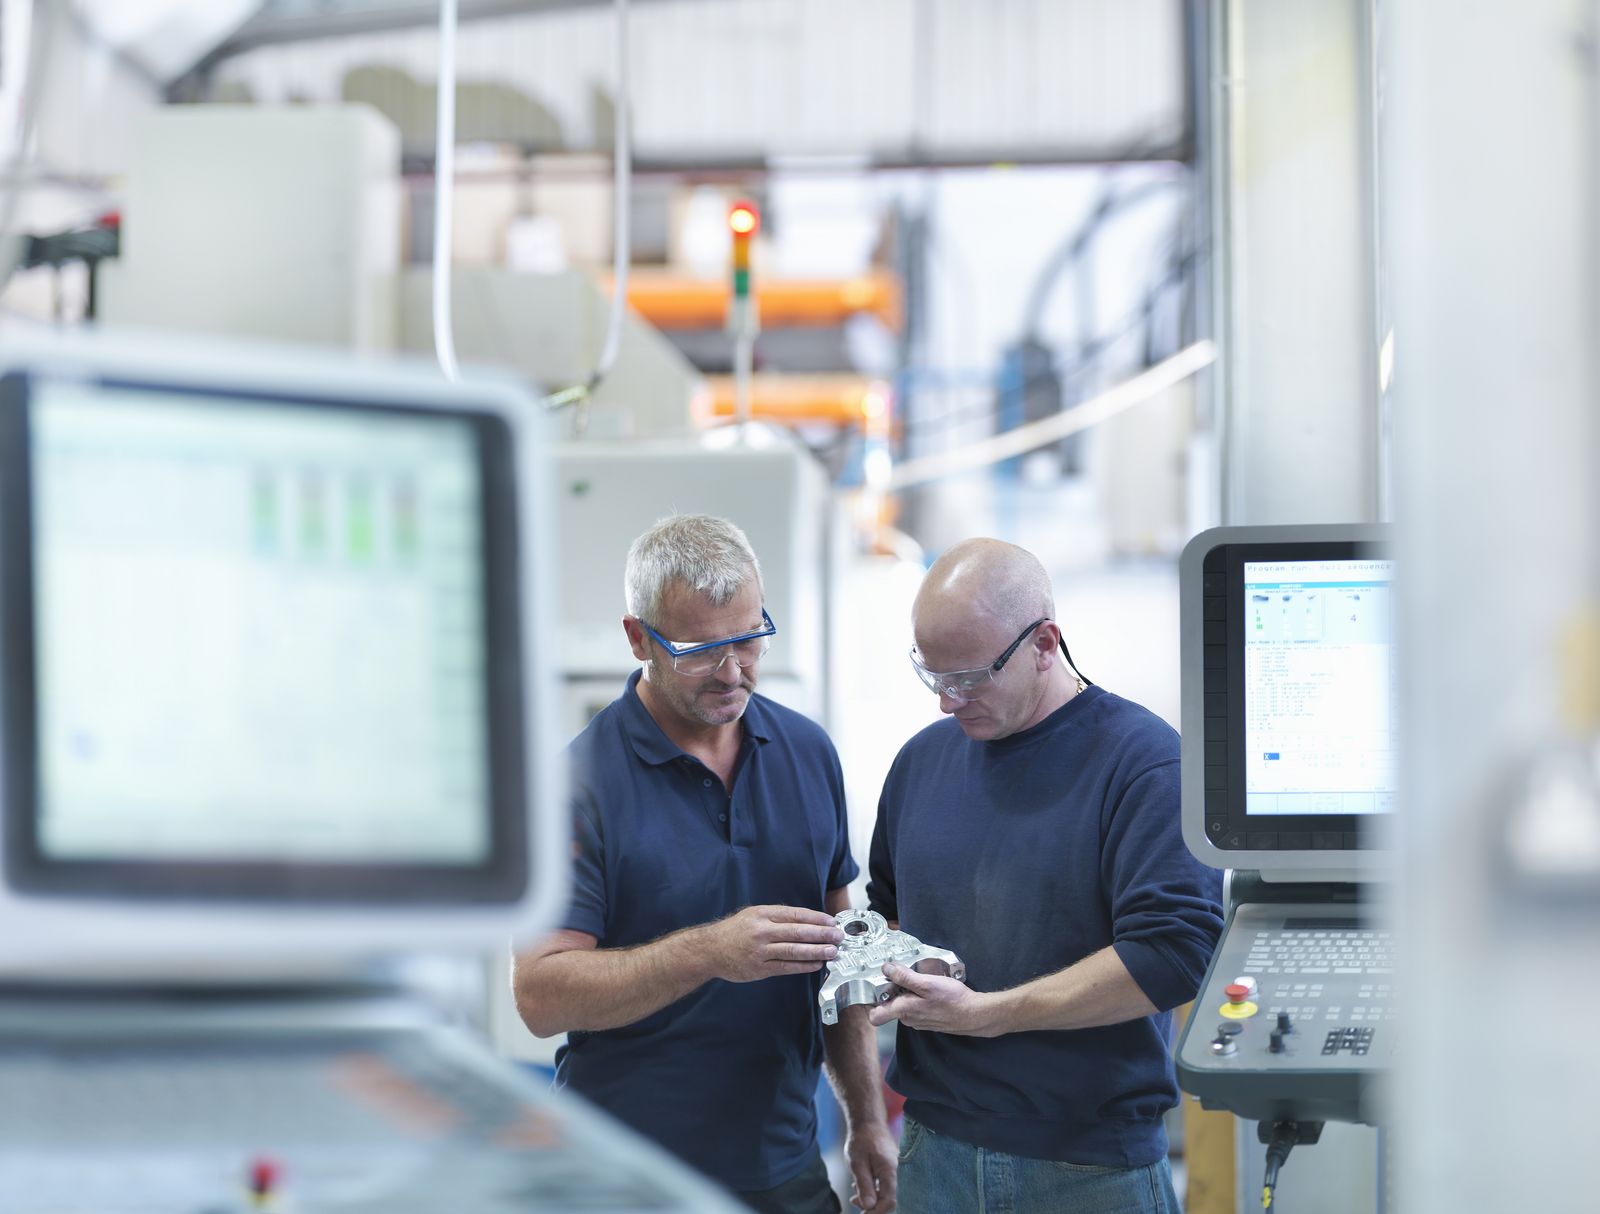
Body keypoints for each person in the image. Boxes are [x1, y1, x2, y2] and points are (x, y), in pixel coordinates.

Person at [513, 514, 896, 1214]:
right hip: (623, 1179)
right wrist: (709, 952)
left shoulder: (808, 753)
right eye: (700, 648)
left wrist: (867, 1119)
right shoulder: (574, 785)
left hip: (783, 1166)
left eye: (749, 639)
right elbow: (540, 996)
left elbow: (839, 961)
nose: (733, 671)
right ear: (638, 638)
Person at [864, 538, 1224, 1213]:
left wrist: (987, 1016)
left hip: (1088, 1169)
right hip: (934, 1151)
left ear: (1045, 642)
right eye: (932, 676)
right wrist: (895, 962)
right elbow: (890, 913)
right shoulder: (919, 765)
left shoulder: (1145, 765)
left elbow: (1173, 957)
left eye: (969, 678)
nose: (947, 702)